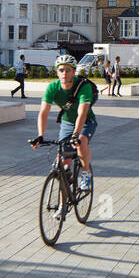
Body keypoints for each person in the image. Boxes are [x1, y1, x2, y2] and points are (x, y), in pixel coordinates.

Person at [33, 53, 96, 189]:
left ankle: (86, 174)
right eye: (61, 70)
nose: (64, 73)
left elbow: (82, 113)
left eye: (68, 70)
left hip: (86, 121)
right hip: (67, 122)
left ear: (74, 71)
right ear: (57, 72)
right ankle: (62, 206)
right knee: (62, 165)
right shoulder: (52, 88)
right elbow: (43, 112)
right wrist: (40, 135)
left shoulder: (83, 86)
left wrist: (75, 135)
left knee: (81, 142)